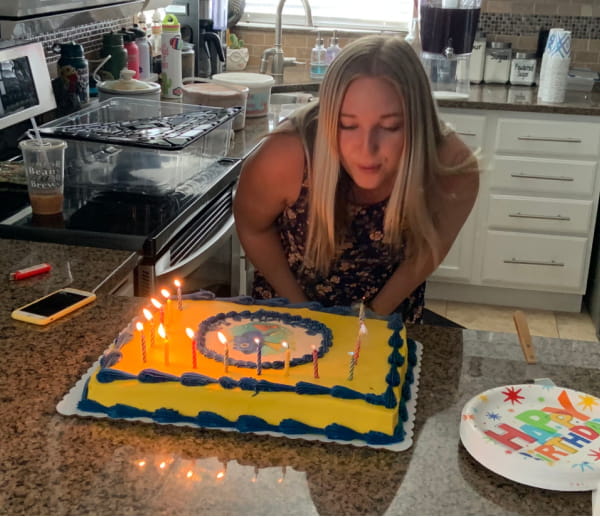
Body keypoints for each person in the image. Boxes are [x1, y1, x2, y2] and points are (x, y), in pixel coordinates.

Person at [233, 35, 479, 323]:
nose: (367, 149)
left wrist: (374, 316)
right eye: (347, 125)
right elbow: (253, 228)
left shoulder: (451, 168)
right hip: (287, 320)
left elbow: (427, 251)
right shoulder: (285, 157)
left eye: (390, 126)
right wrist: (301, 309)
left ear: (418, 121)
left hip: (388, 319)